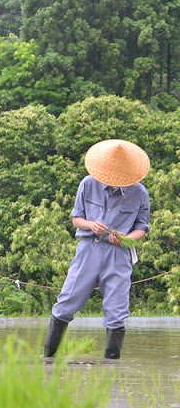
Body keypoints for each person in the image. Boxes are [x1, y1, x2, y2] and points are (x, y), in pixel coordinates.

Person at [44, 139, 150, 360]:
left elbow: (142, 227)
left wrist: (126, 240)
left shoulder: (140, 193)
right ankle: (48, 358)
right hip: (88, 249)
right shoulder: (87, 183)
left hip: (119, 254)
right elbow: (76, 219)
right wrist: (91, 224)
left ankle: (112, 366)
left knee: (117, 311)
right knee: (67, 301)